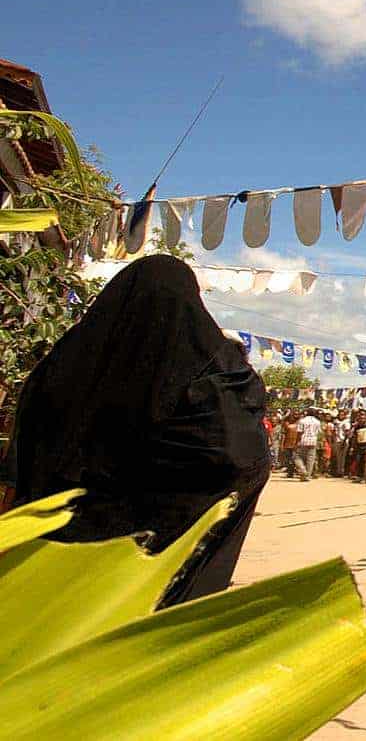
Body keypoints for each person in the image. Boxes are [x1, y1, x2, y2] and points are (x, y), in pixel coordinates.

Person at [1, 255, 270, 607]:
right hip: (149, 590)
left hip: (44, 573)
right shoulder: (213, 385)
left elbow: (18, 473)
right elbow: (242, 463)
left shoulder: (61, 368)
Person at [293, 409, 323, 482]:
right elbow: (319, 432)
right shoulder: (317, 421)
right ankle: (307, 476)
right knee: (310, 459)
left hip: (303, 440)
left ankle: (303, 470)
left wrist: (296, 442)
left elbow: (300, 432)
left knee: (297, 457)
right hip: (313, 441)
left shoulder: (302, 421)